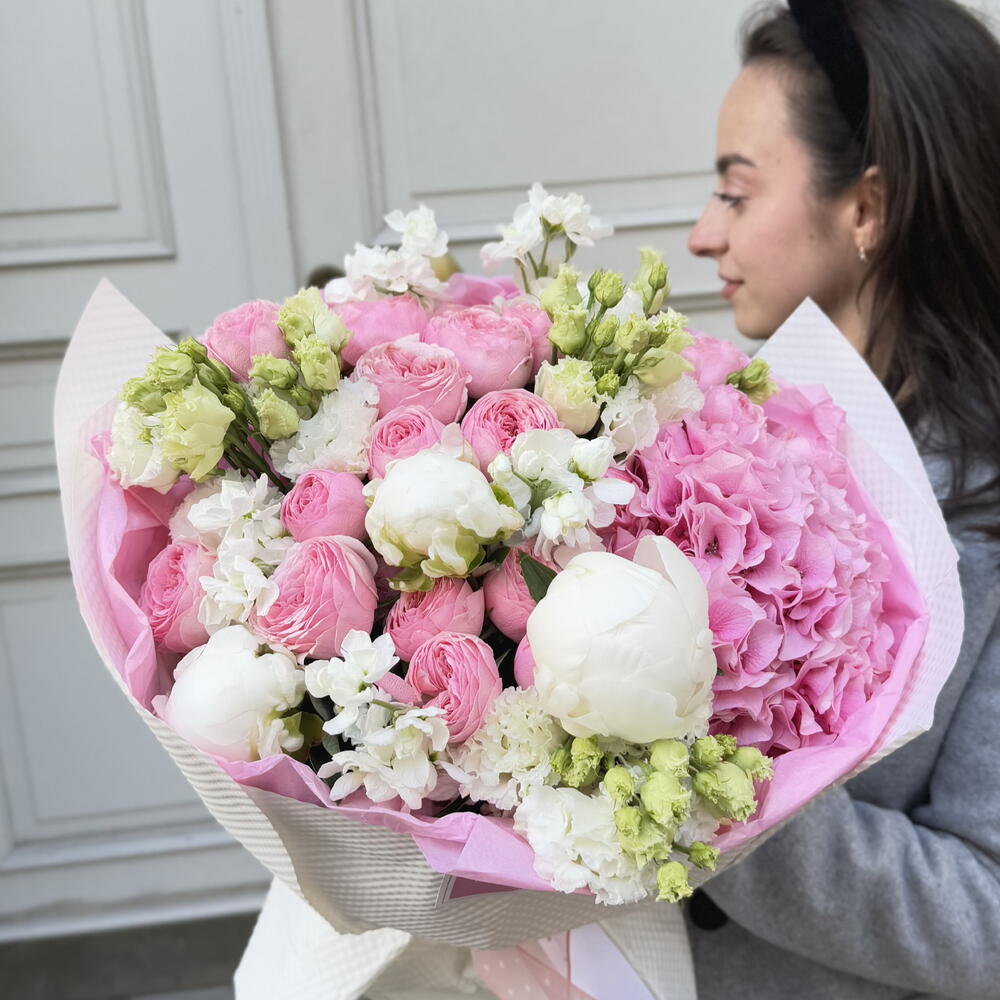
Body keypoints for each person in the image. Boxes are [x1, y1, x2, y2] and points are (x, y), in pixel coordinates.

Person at [684, 1, 1000, 997]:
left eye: (736, 192)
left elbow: (987, 916)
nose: (701, 234)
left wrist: (684, 790)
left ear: (866, 209)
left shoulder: (983, 510)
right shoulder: (711, 440)